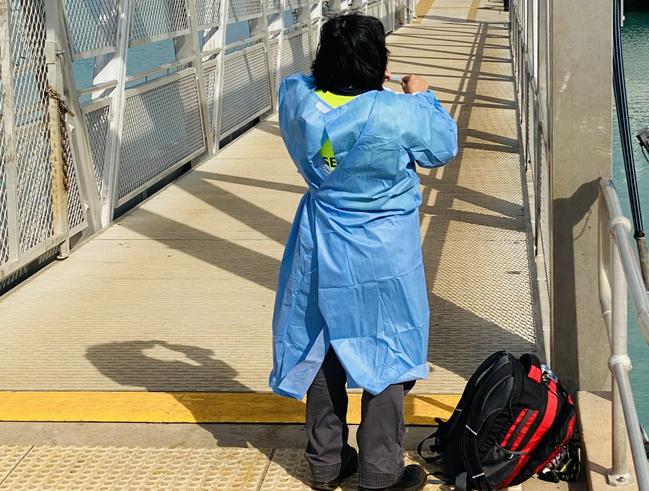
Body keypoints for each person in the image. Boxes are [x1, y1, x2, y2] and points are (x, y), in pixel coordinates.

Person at [269, 13, 458, 491]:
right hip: (382, 249)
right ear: (378, 61)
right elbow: (441, 146)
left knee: (320, 346)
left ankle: (327, 463)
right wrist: (422, 93)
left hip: (319, 238)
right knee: (387, 348)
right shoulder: (397, 112)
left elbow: (308, 83)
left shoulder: (297, 99)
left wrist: (345, 68)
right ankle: (381, 472)